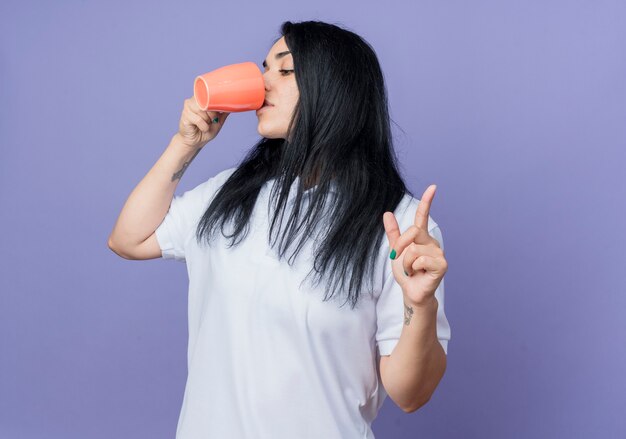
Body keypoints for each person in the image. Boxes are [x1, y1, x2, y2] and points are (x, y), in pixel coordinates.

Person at [108, 20, 451, 439]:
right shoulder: (231, 194)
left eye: (284, 71)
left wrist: (422, 304)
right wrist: (186, 144)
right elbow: (128, 239)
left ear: (335, 89)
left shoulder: (398, 225)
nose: (261, 83)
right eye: (263, 68)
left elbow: (409, 394)